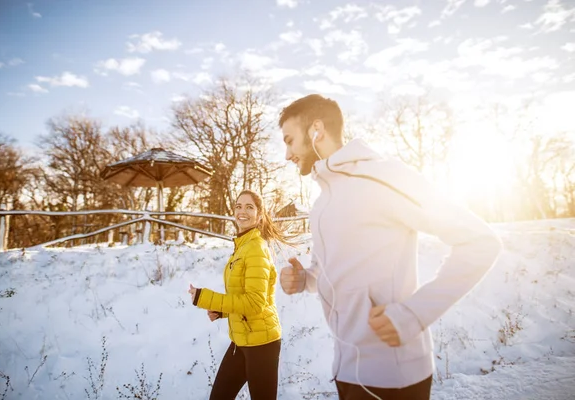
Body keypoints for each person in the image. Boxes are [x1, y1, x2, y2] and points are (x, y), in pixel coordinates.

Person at [277, 94, 503, 400]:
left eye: (290, 141)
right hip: (345, 372)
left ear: (316, 130)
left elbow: (480, 241)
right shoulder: (321, 204)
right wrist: (305, 279)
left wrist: (414, 314)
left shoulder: (383, 177)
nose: (287, 153)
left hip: (393, 378)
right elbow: (330, 273)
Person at [189, 190, 294, 400]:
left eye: (249, 207)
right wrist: (222, 311)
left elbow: (255, 303)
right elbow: (243, 296)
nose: (242, 211)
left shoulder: (256, 248)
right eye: (238, 206)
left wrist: (204, 297)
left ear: (259, 214)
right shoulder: (242, 246)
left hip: (262, 344)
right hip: (240, 340)